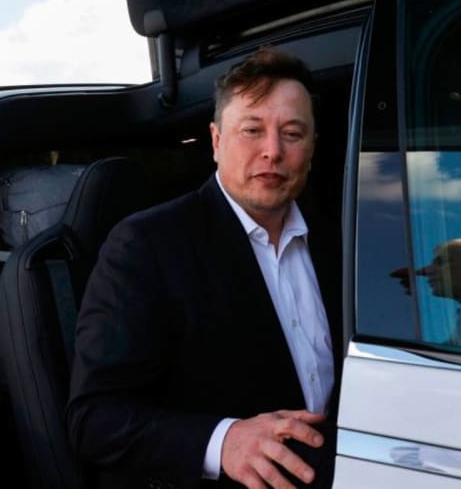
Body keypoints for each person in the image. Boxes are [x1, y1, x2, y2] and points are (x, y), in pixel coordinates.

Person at [68, 47, 341, 489]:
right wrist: (222, 441)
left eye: (292, 133)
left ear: (311, 149)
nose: (272, 151)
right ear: (216, 141)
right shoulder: (146, 245)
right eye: (252, 130)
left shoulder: (335, 242)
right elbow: (95, 420)